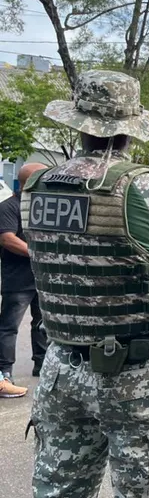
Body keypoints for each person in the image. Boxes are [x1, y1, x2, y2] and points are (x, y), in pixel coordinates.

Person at [21, 70, 149, 498]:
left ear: (80, 125)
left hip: (60, 363)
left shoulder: (39, 187)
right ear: (131, 129)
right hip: (135, 374)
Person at [0, 162, 48, 398]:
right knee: (9, 327)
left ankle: (42, 365)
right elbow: (7, 238)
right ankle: (4, 372)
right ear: (29, 182)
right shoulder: (9, 207)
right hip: (17, 279)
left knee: (43, 324)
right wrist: (36, 252)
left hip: (42, 278)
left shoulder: (44, 207)